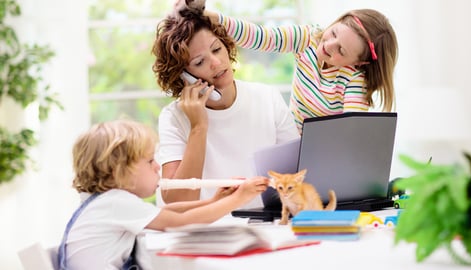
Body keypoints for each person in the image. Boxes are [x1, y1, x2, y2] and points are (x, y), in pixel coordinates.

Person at [57, 119, 269, 270]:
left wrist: (215, 200)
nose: (157, 166)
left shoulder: (107, 203)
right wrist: (238, 199)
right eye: (150, 161)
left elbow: (165, 213)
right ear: (120, 171)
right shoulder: (115, 202)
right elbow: (178, 222)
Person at [151, 8, 299, 207]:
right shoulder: (173, 117)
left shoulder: (267, 97)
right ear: (182, 75)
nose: (216, 62)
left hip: (265, 225)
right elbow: (178, 202)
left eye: (216, 49)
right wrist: (198, 127)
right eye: (199, 61)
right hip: (204, 229)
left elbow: (298, 177)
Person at [183, 1, 398, 131]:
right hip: (288, 139)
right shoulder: (309, 38)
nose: (328, 45)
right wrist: (215, 18)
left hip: (321, 153)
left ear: (358, 63)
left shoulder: (354, 81)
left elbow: (349, 132)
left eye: (341, 51)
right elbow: (262, 38)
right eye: (333, 33)